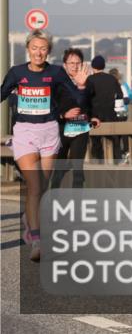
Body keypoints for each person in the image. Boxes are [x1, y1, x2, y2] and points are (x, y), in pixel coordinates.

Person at [1, 30, 82, 260]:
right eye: (35, 47)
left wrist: (80, 91)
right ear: (28, 48)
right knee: (35, 186)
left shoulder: (55, 72)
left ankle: (29, 219)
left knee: (43, 188)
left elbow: (74, 94)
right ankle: (36, 240)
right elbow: (2, 93)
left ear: (49, 51)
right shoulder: (17, 73)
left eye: (43, 48)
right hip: (25, 133)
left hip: (49, 134)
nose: (39, 52)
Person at [54, 48, 96, 188]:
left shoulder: (88, 83)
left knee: (78, 168)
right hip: (61, 128)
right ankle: (53, 197)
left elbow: (91, 103)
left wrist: (95, 117)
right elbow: (50, 105)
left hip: (80, 128)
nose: (74, 66)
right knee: (59, 167)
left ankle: (77, 201)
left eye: (78, 62)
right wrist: (62, 114)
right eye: (71, 63)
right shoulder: (57, 83)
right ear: (65, 64)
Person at [84, 56, 124, 163]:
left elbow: (85, 97)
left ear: (92, 66)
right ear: (104, 66)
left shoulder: (90, 80)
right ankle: (116, 160)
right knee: (114, 140)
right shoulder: (112, 79)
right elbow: (120, 95)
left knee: (96, 141)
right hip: (110, 114)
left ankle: (99, 161)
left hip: (95, 115)